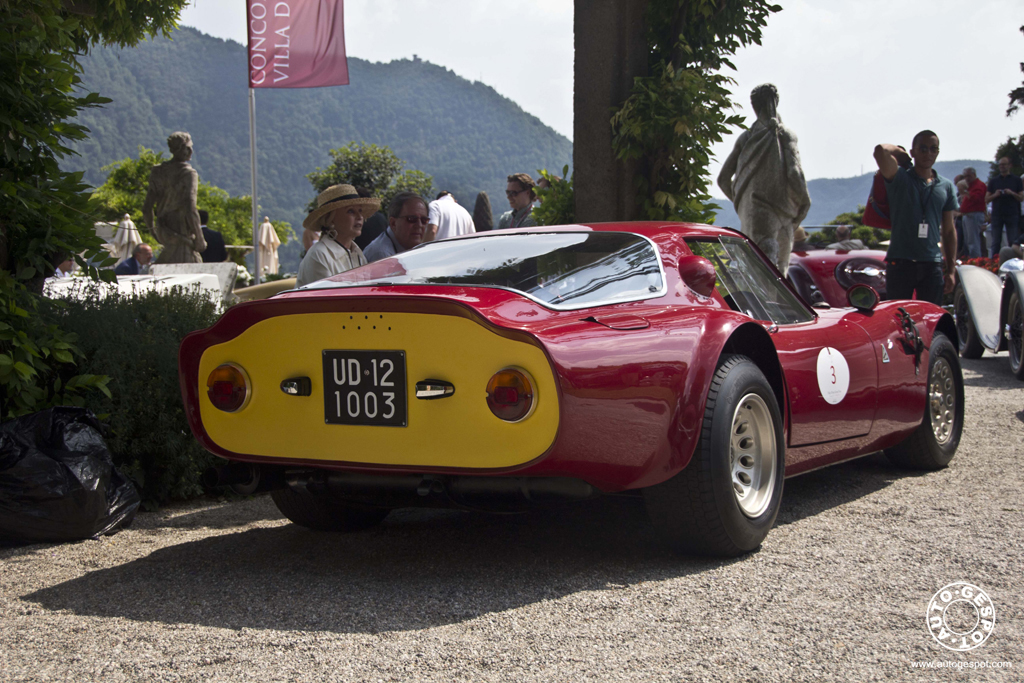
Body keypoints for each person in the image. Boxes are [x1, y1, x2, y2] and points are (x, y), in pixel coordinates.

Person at [717, 83, 811, 276]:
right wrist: (804, 200)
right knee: (781, 269)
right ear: (776, 102)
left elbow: (723, 179)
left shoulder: (747, 138)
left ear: (754, 106)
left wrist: (743, 204)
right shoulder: (785, 134)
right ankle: (779, 306)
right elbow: (794, 172)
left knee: (758, 271)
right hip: (785, 210)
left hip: (757, 212)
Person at [873, 130, 958, 305]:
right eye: (923, 148)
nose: (928, 153)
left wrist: (951, 270)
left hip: (931, 263)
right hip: (901, 261)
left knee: (931, 318)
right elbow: (880, 151)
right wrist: (901, 154)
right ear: (913, 152)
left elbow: (949, 231)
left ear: (937, 152)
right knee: (898, 316)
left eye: (933, 149)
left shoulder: (946, 186)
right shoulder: (900, 177)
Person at [296, 184, 379, 288]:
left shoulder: (357, 254)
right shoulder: (319, 255)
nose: (359, 217)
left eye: (360, 211)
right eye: (350, 211)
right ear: (331, 218)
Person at [142, 131, 206, 263]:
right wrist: (200, 238)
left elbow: (147, 208)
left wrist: (154, 231)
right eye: (188, 147)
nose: (191, 151)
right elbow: (190, 207)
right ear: (180, 149)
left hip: (164, 231)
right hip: (182, 231)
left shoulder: (158, 171)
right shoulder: (188, 173)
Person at [363, 191, 429, 262]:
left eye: (424, 220)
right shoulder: (382, 256)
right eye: (412, 219)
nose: (419, 225)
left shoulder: (407, 247)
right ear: (393, 223)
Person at [986, 157, 1024, 256]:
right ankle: (993, 263)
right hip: (997, 214)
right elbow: (986, 199)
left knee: (1013, 240)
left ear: (1009, 165)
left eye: (1004, 164)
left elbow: (1021, 198)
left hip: (1012, 214)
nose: (1002, 167)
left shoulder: (1017, 180)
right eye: (1000, 165)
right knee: (995, 242)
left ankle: (1012, 261)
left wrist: (1012, 193)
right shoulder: (994, 181)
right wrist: (995, 195)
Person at [958, 167, 987, 258]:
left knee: (973, 242)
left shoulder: (979, 185)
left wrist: (966, 191)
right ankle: (970, 259)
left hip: (974, 215)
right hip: (967, 215)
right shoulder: (971, 186)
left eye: (969, 176)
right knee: (968, 241)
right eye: (965, 176)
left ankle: (976, 261)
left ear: (974, 175)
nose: (967, 178)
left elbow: (976, 199)